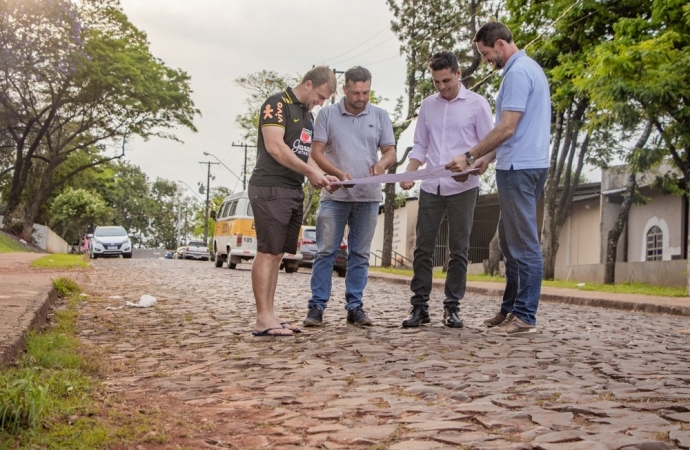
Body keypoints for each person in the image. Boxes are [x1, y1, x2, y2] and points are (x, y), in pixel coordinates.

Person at [446, 21, 551, 335]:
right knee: (509, 240)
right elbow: (512, 131)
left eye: (486, 53)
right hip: (519, 164)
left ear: (501, 45)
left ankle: (524, 315)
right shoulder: (527, 69)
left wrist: (469, 155)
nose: (486, 60)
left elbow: (507, 128)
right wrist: (486, 159)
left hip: (520, 169)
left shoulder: (518, 73)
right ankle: (509, 309)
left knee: (523, 245)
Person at [399, 51, 494, 329]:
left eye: (446, 81)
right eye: (436, 82)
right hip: (431, 186)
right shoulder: (428, 105)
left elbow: (490, 146)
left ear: (459, 73)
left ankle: (452, 307)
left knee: (458, 249)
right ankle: (419, 307)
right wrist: (410, 171)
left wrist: (478, 165)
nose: (441, 87)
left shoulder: (477, 105)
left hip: (464, 186)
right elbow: (420, 146)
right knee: (423, 247)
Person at [301, 66, 397, 328]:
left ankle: (355, 306)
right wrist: (336, 173)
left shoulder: (379, 115)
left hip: (367, 197)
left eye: (366, 92)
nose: (361, 97)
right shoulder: (327, 114)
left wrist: (382, 165)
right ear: (344, 90)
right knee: (325, 251)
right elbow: (317, 152)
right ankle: (317, 306)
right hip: (334, 195)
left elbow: (390, 151)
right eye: (356, 92)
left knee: (360, 254)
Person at [248, 66, 338, 337]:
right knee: (267, 251)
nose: (321, 103)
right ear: (308, 84)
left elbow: (303, 154)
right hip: (269, 187)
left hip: (292, 189)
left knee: (278, 254)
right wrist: (310, 171)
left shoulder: (307, 116)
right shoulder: (277, 104)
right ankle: (262, 317)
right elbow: (275, 146)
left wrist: (324, 174)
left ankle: (271, 314)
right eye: (321, 96)